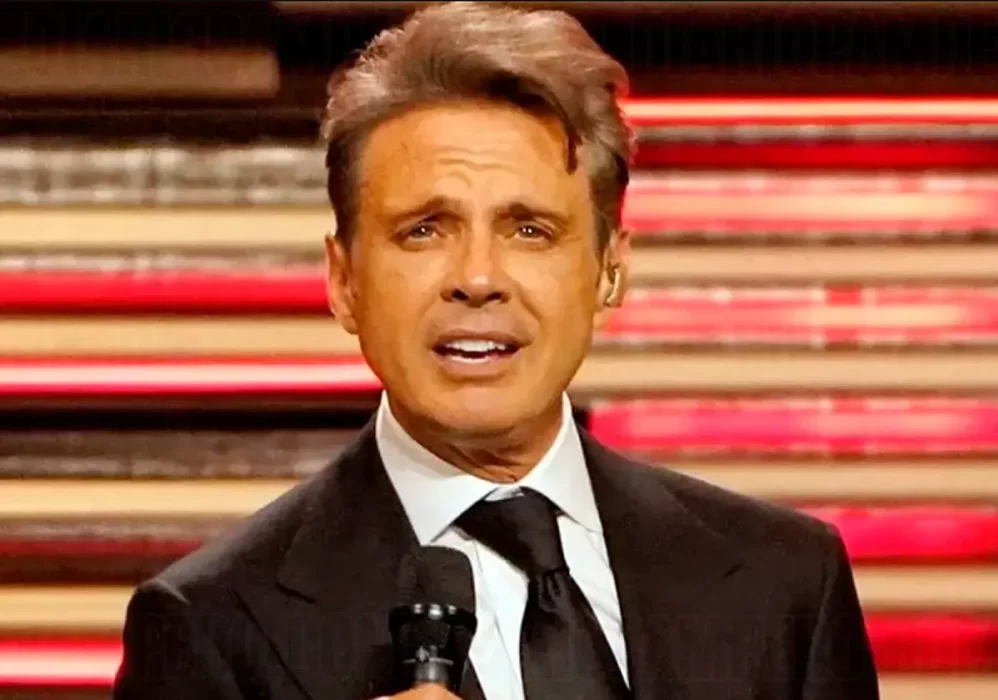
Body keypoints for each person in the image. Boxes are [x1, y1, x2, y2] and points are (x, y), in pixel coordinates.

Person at [113, 2, 879, 699]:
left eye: (530, 230)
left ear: (609, 271)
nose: (477, 279)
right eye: (424, 230)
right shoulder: (208, 628)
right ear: (344, 280)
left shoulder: (786, 584)